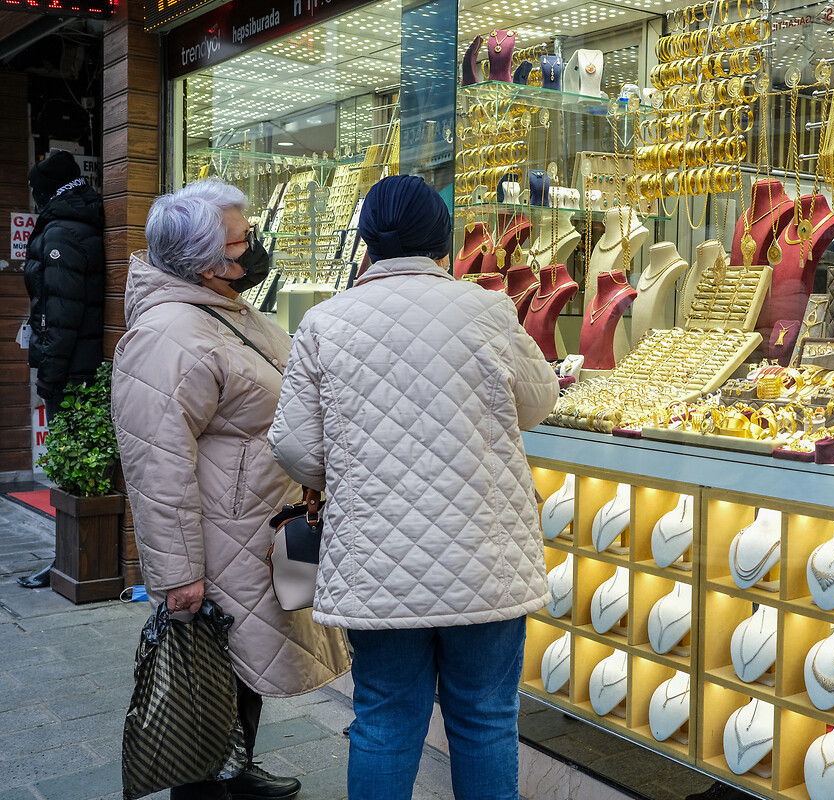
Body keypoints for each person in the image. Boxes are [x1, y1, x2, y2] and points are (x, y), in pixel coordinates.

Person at [268, 175, 558, 800]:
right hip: (484, 556)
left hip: (376, 561)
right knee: (484, 720)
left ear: (367, 241)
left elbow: (292, 444)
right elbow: (537, 403)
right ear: (441, 239)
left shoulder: (324, 322)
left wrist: (346, 468)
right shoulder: (486, 307)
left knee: (383, 719)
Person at [110, 178, 351, 800]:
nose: (256, 249)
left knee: (240, 659)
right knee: (211, 661)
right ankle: (204, 784)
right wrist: (178, 573)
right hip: (217, 537)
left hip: (251, 525)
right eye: (245, 240)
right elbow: (156, 466)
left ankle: (234, 769)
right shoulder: (168, 334)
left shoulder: (221, 313)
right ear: (206, 261)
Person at [19, 150, 105, 589]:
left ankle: (67, 564)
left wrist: (48, 375)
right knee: (77, 472)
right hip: (83, 368)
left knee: (72, 473)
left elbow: (59, 312)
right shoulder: (79, 219)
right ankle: (64, 561)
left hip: (71, 373)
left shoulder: (62, 231)